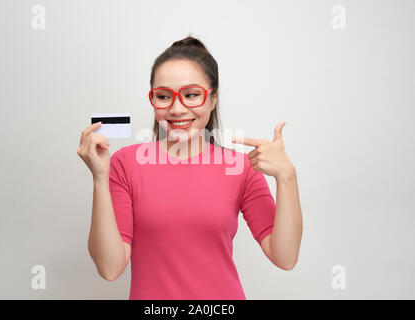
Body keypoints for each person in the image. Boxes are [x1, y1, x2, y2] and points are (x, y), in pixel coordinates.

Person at [77, 36, 303, 300]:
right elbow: (109, 268)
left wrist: (287, 177)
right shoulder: (125, 164)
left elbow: (285, 257)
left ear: (213, 99)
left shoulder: (240, 168)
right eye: (163, 96)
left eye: (192, 95)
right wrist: (99, 178)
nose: (176, 108)